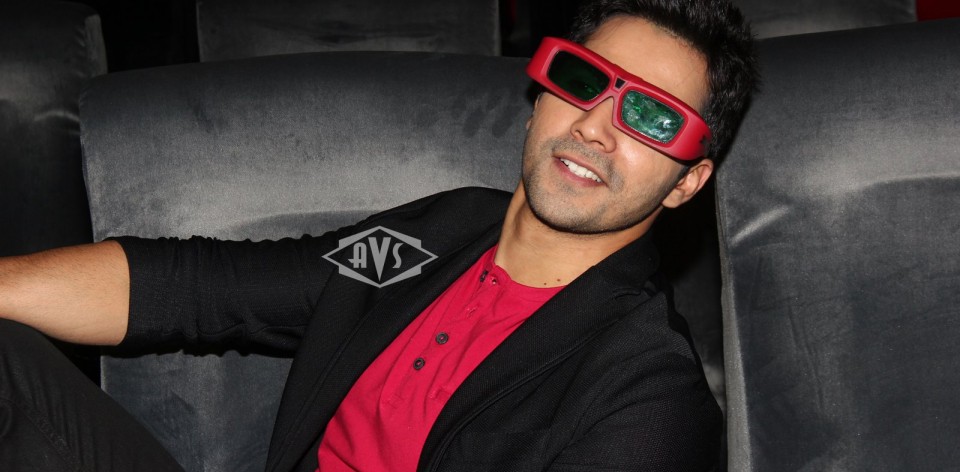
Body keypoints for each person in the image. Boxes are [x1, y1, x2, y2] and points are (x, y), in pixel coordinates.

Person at [0, 0, 758, 470]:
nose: (595, 127)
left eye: (653, 119)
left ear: (687, 182)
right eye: (586, 81)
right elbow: (204, 289)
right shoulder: (441, 233)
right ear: (540, 99)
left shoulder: (652, 402)